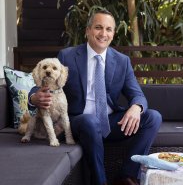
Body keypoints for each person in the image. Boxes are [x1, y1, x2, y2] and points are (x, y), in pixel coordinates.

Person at [28, 9, 162, 185]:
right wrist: (33, 98)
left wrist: (136, 107)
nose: (103, 34)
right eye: (98, 27)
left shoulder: (122, 61)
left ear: (113, 34)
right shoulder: (67, 56)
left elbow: (137, 94)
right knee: (89, 121)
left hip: (109, 122)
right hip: (78, 121)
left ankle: (126, 177)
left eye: (108, 29)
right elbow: (41, 86)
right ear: (88, 30)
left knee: (153, 117)